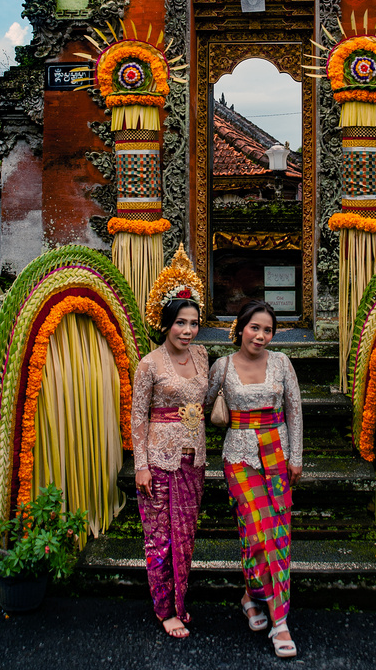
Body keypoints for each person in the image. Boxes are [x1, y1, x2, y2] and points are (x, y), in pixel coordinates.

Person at [207, 300, 303, 658]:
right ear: (240, 328)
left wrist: (297, 457)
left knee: (278, 534)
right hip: (240, 458)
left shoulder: (282, 363)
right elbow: (201, 406)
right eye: (254, 328)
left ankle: (271, 612)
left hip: (277, 454)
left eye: (267, 330)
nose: (260, 336)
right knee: (257, 531)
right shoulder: (222, 366)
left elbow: (294, 410)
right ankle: (265, 605)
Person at [132, 246, 207, 639]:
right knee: (160, 537)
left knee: (185, 536)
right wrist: (140, 464)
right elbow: (137, 416)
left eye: (193, 323)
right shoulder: (150, 363)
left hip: (195, 459)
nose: (187, 330)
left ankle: (180, 601)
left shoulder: (203, 356)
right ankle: (165, 610)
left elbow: (207, 399)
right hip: (160, 459)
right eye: (180, 322)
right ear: (166, 324)